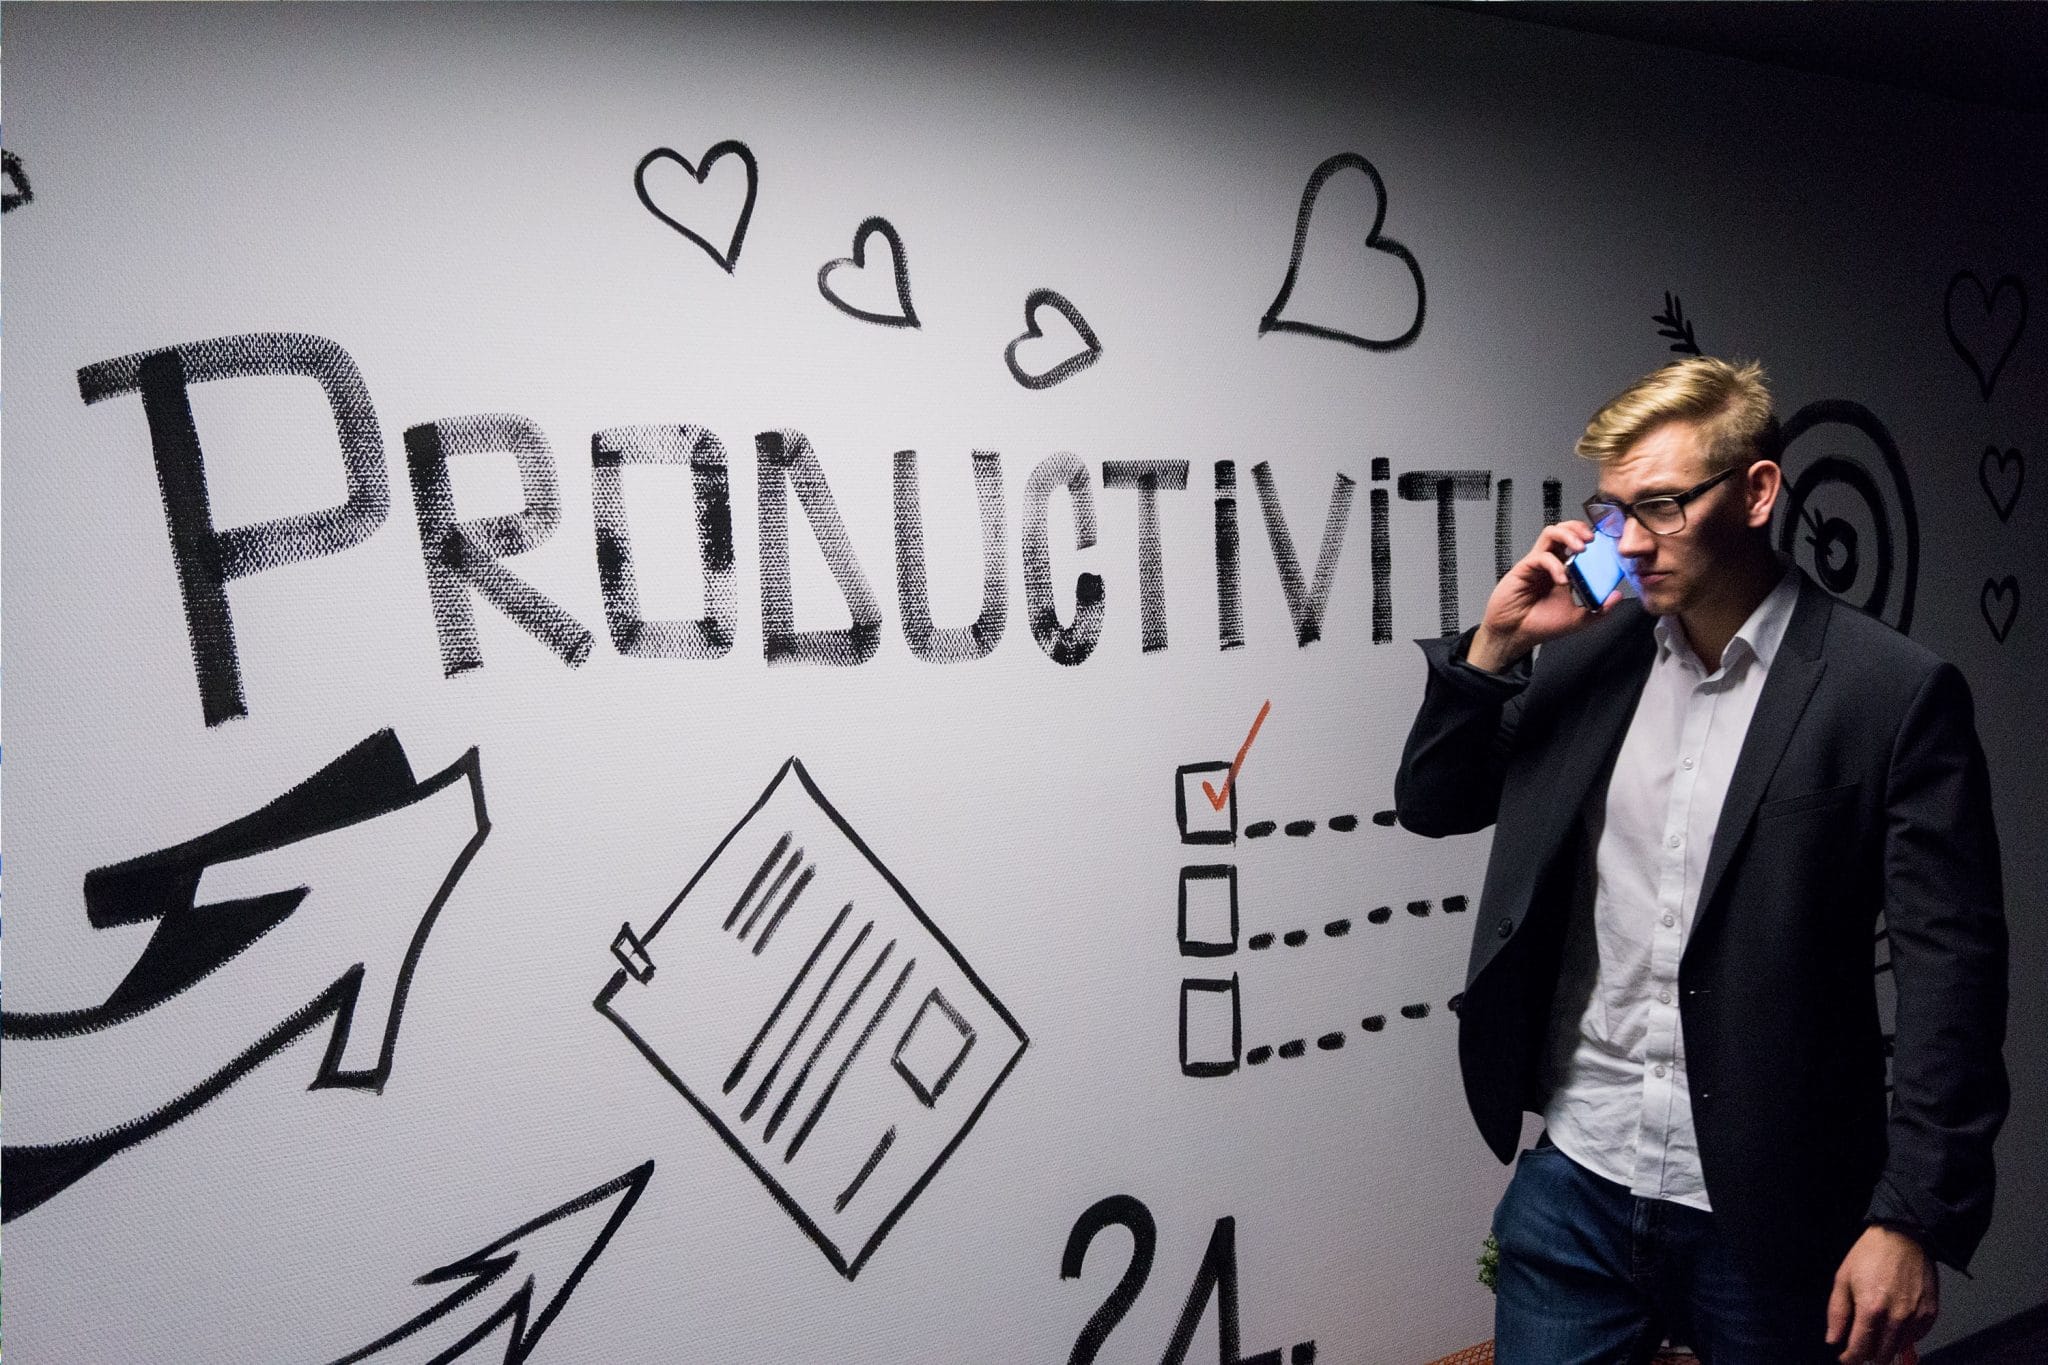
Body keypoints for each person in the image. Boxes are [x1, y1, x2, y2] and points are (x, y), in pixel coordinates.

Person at [1394, 358, 2007, 1365]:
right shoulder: (1590, 655)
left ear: (1756, 492)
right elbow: (1433, 803)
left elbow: (1955, 977)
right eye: (1614, 509)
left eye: (1664, 507)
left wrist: (1911, 1217)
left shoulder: (1887, 693)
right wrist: (1495, 646)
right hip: (1576, 1182)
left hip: (1773, 1205)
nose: (1628, 542)